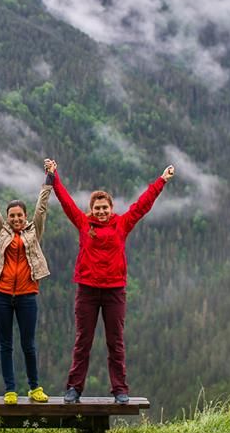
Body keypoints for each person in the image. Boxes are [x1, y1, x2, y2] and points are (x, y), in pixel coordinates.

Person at [45, 158, 175, 404]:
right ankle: (74, 388)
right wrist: (54, 176)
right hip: (87, 291)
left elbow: (143, 205)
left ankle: (120, 390)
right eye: (98, 208)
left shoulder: (122, 224)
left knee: (115, 342)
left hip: (115, 291)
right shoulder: (83, 224)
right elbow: (66, 202)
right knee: (83, 341)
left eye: (105, 208)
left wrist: (161, 181)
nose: (102, 212)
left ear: (111, 208)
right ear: (91, 210)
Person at [0, 164, 53, 405]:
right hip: (2, 294)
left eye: (19, 215)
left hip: (28, 295)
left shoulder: (34, 231)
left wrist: (49, 177)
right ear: (8, 218)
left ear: (25, 217)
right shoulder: (2, 230)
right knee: (5, 343)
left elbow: (42, 207)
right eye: (12, 215)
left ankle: (35, 387)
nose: (16, 219)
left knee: (28, 344)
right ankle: (10, 390)